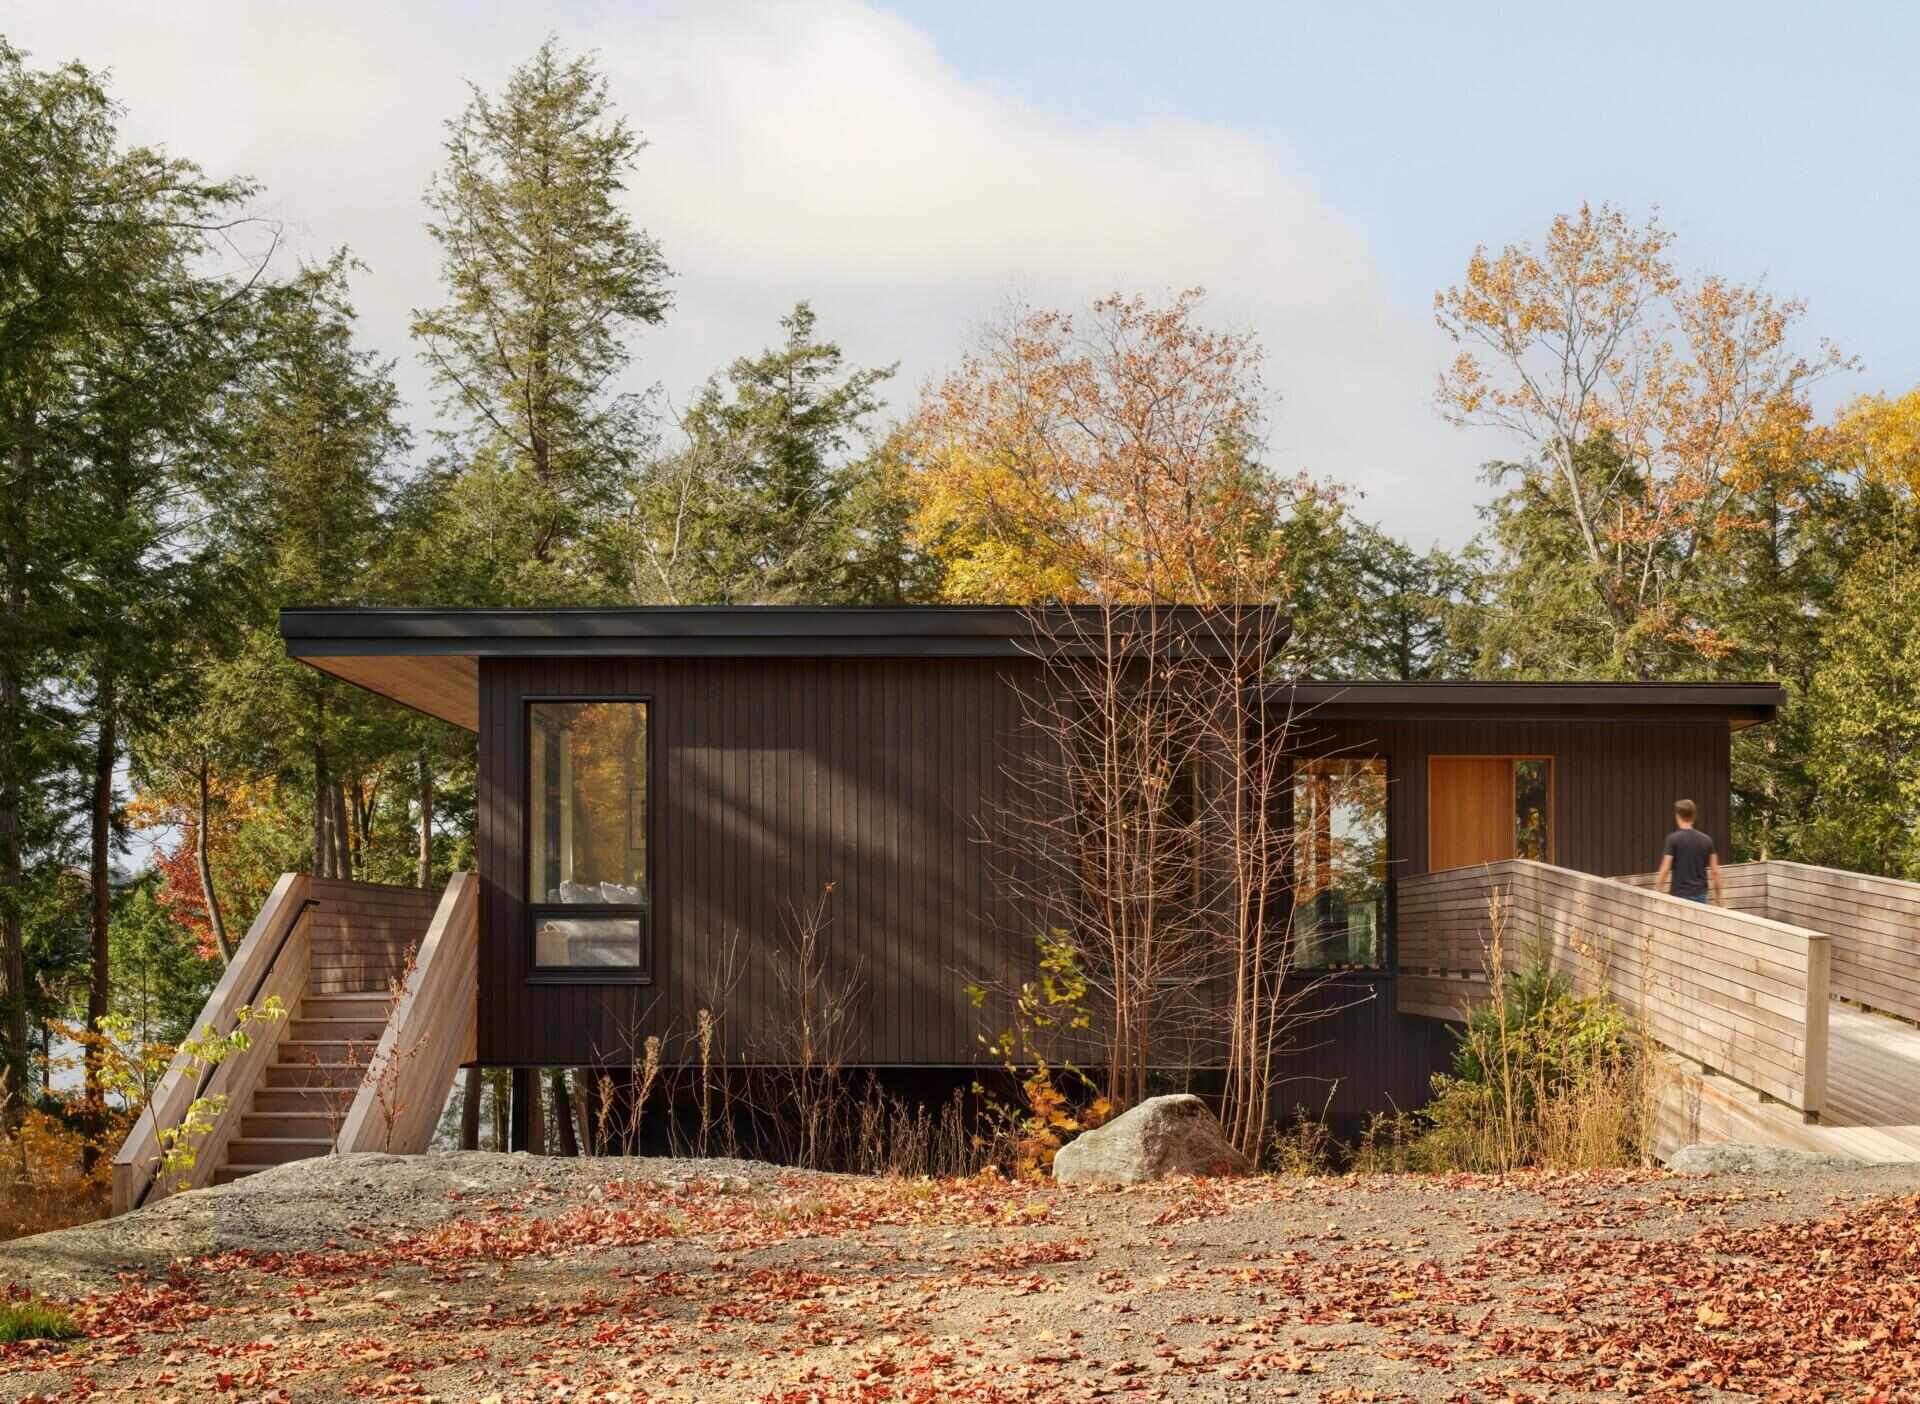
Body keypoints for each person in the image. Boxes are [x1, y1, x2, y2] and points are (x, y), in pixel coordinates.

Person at [1656, 798, 1722, 905]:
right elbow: (1715, 872)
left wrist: (1657, 892)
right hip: (1700, 895)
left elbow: (1665, 868)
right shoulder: (1707, 840)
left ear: (1677, 816)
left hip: (1679, 896)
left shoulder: (1672, 839)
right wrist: (1719, 898)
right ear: (1694, 816)